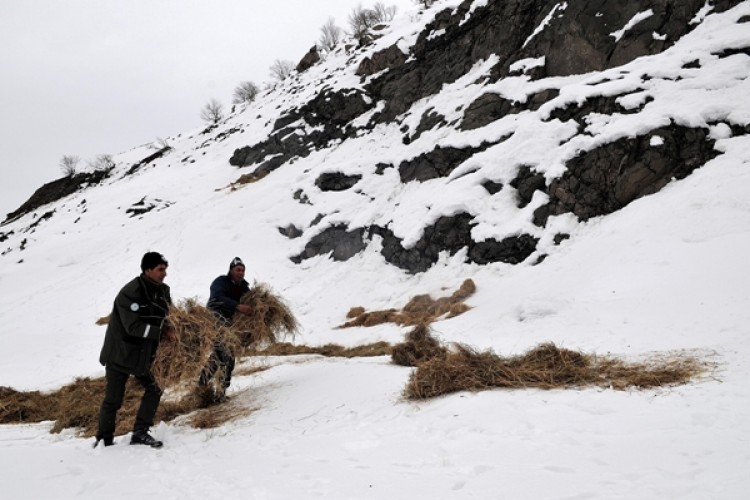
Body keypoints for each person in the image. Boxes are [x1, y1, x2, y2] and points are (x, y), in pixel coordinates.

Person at [94, 252, 175, 448]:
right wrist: (162, 332)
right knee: (114, 399)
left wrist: (176, 326)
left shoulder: (162, 290)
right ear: (147, 270)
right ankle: (104, 439)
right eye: (160, 270)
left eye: (165, 270)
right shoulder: (130, 293)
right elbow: (134, 327)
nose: (164, 274)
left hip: (142, 354)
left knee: (155, 387)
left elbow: (170, 314)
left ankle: (140, 432)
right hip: (120, 353)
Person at [198, 256, 251, 402]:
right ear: (231, 270)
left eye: (243, 270)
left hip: (229, 324)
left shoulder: (244, 287)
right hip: (215, 320)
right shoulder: (220, 282)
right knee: (224, 355)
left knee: (221, 356)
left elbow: (250, 301)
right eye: (238, 270)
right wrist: (237, 306)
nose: (240, 273)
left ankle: (209, 388)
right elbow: (217, 298)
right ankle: (210, 390)